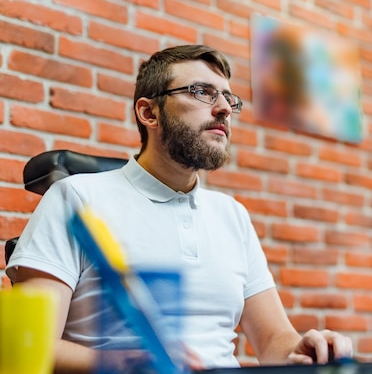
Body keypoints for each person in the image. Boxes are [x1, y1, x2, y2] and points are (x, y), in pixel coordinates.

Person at [7, 45, 353, 373]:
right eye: (202, 92)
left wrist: (300, 351)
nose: (223, 109)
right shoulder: (76, 197)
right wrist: (125, 363)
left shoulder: (231, 214)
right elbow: (28, 346)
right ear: (148, 113)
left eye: (228, 98)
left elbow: (273, 340)